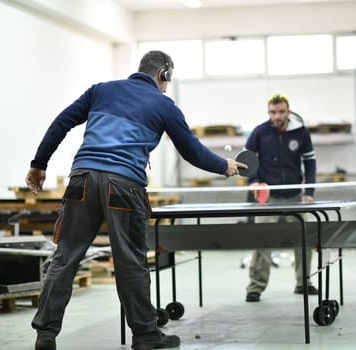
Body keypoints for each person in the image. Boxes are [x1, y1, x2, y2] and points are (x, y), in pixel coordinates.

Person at [25, 50, 246, 350]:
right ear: (163, 74)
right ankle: (145, 337)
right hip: (124, 187)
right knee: (131, 264)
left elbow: (61, 122)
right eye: (168, 79)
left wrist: (39, 164)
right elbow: (192, 151)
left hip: (82, 182)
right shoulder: (164, 105)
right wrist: (225, 165)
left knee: (64, 259)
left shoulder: (100, 90)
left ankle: (45, 335)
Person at [245, 94, 318, 303]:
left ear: (288, 111)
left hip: (296, 197)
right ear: (268, 112)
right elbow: (247, 159)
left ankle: (304, 282)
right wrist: (254, 181)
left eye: (281, 112)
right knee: (262, 242)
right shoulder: (260, 132)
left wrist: (309, 192)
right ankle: (255, 287)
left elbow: (310, 163)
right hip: (267, 199)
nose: (276, 116)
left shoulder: (301, 132)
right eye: (273, 112)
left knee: (304, 240)